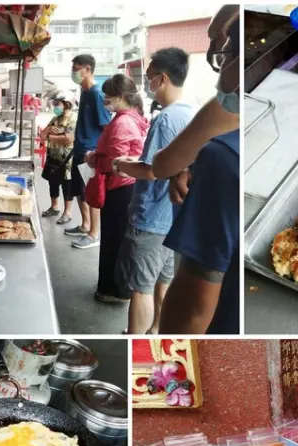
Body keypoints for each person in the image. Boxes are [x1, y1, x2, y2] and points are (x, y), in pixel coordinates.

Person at [158, 15, 240, 334]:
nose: (218, 68)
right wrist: (195, 167)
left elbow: (192, 309)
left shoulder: (222, 153)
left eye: (224, 52)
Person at [113, 48, 195, 334]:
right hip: (175, 219)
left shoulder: (165, 119)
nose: (147, 84)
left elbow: (151, 169)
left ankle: (134, 340)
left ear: (162, 78)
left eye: (148, 77)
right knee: (164, 281)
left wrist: (121, 164)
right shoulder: (191, 114)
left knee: (141, 288)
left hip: (151, 216)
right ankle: (157, 332)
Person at [84, 74, 148, 303]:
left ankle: (113, 290)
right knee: (118, 239)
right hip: (127, 187)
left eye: (108, 96)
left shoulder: (122, 122)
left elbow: (115, 162)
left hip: (119, 187)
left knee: (114, 240)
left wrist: (93, 158)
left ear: (120, 97)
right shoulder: (134, 117)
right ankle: (116, 287)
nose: (105, 101)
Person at [67, 55, 112, 249]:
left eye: (76, 68)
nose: (73, 72)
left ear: (87, 69)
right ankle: (85, 225)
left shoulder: (96, 93)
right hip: (79, 150)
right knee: (79, 192)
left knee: (91, 194)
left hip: (89, 154)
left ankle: (94, 234)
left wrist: (97, 152)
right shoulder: (84, 92)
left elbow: (107, 127)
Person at [39, 91, 75, 217]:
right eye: (54, 104)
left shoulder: (73, 118)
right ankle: (54, 207)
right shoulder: (55, 119)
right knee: (53, 183)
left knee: (67, 186)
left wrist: (50, 137)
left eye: (57, 104)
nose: (55, 107)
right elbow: (42, 136)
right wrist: (48, 130)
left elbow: (68, 139)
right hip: (53, 157)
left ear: (67, 104)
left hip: (67, 160)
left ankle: (67, 213)